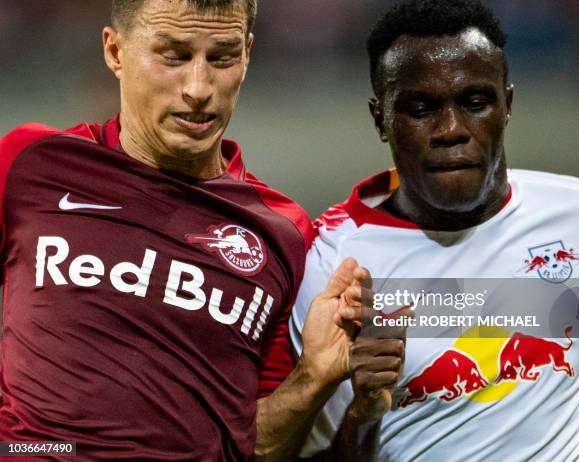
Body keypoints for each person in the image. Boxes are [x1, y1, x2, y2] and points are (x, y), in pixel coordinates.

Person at [0, 0, 403, 460]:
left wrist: (312, 377)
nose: (198, 87)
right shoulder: (29, 165)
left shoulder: (284, 234)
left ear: (247, 55)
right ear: (115, 52)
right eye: (173, 56)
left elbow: (258, 449)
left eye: (223, 57)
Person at [290, 0, 579, 460]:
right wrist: (364, 411)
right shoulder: (332, 268)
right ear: (381, 119)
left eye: (475, 103)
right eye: (421, 109)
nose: (451, 130)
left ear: (508, 105)